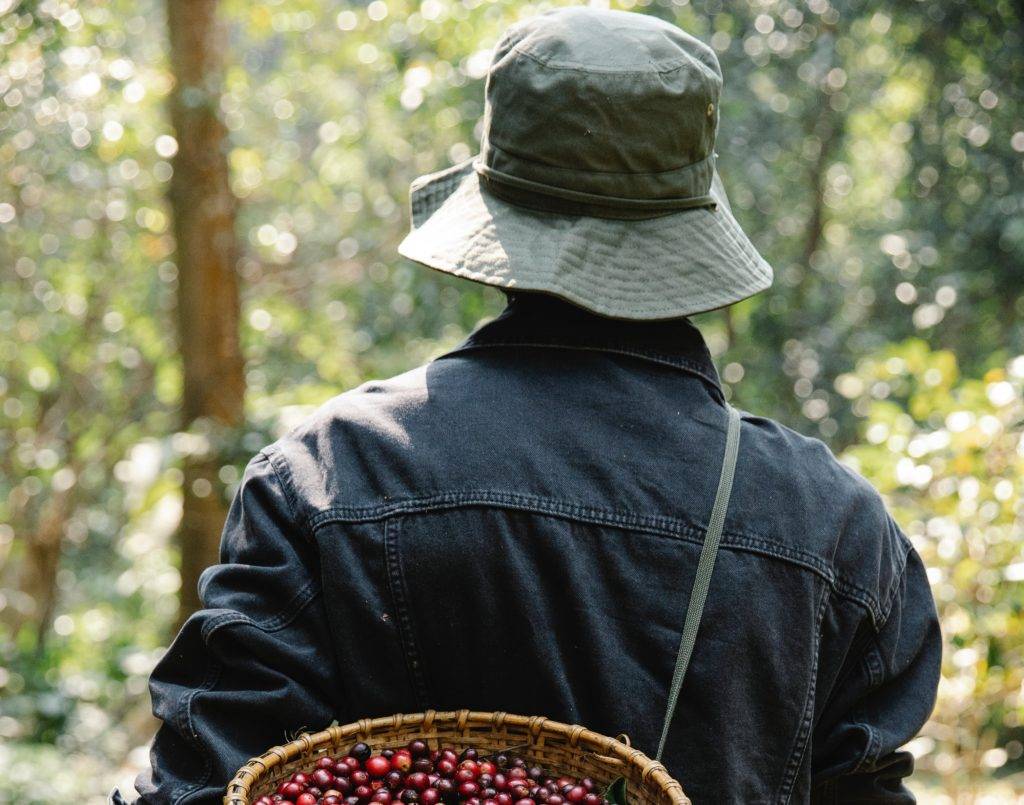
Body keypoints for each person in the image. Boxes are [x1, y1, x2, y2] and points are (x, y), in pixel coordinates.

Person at [113, 8, 941, 805]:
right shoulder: (834, 526)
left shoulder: (331, 472)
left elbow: (206, 779)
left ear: (496, 221)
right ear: (692, 229)